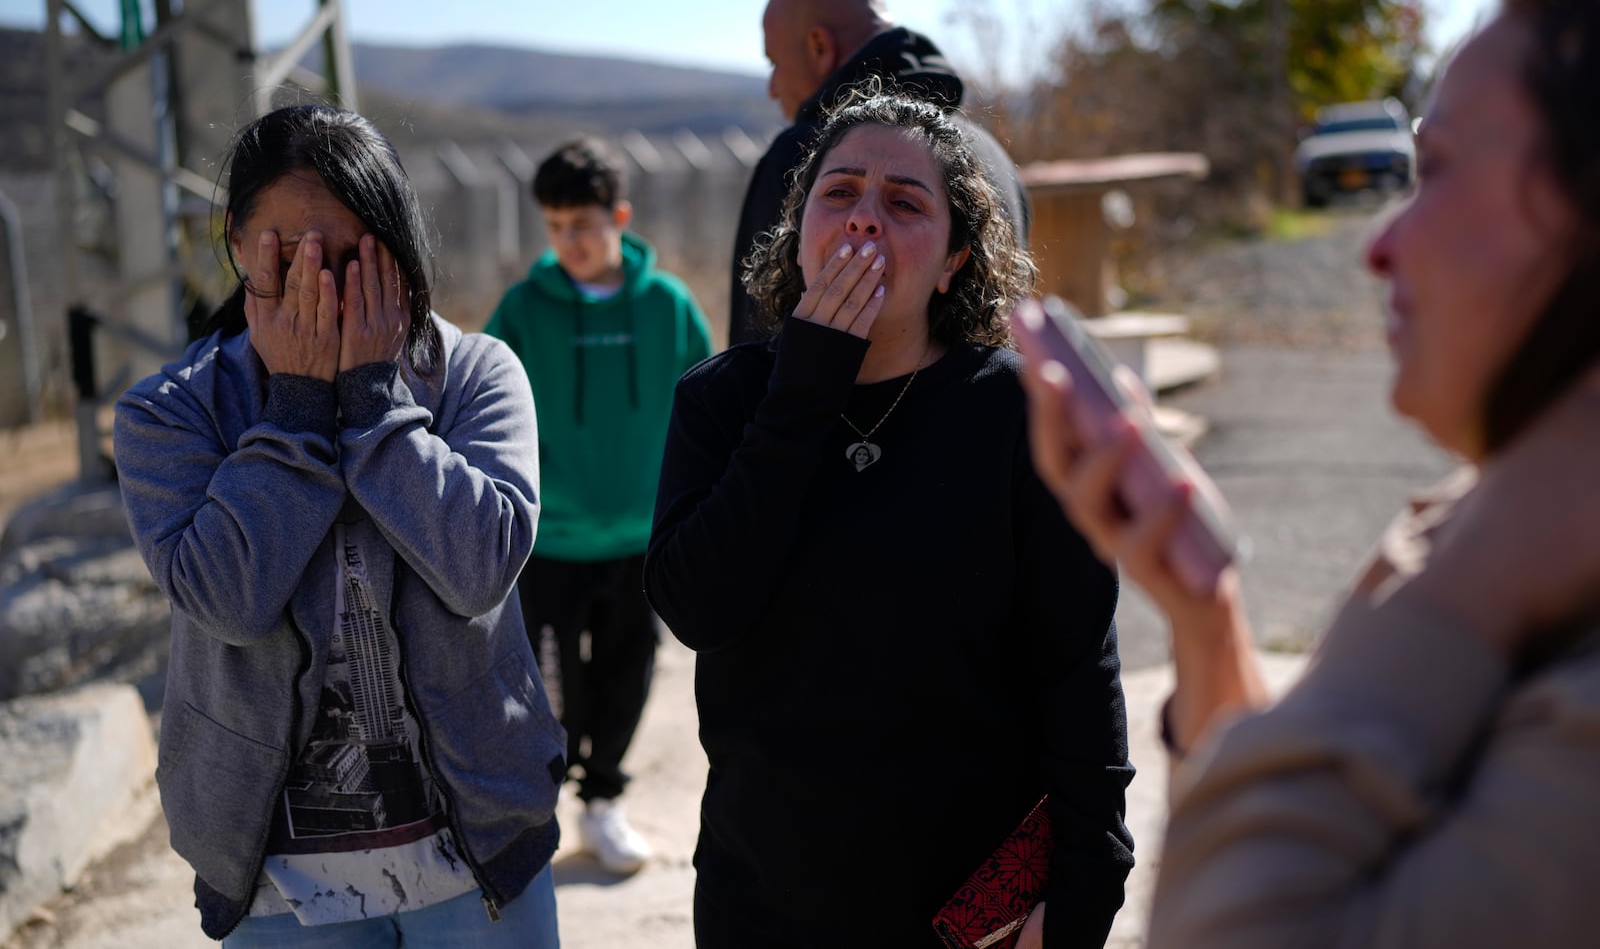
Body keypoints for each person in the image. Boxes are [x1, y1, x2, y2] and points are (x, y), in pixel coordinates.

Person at [1020, 0, 1600, 948]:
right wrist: (1208, 627)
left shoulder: (1502, 566)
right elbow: (1324, 849)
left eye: (1441, 168)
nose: (1379, 243)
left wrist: (1480, 576)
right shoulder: (1466, 526)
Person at [646, 87, 1134, 949]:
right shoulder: (722, 401)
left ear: (954, 259)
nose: (864, 220)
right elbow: (699, 606)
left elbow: (1079, 671)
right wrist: (807, 382)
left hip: (970, 915)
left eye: (905, 202)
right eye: (839, 193)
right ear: (799, 232)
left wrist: (1087, 887)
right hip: (762, 902)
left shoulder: (1019, 411)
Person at [113, 103, 565, 947]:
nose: (317, 282)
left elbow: (480, 567)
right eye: (286, 257)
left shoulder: (473, 376)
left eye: (350, 256)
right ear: (237, 246)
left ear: (398, 251)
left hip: (476, 857)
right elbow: (226, 600)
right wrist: (291, 415)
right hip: (275, 880)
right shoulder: (170, 414)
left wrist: (371, 402)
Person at [484, 136, 712, 875]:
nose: (568, 242)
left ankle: (603, 802)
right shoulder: (522, 309)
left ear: (619, 215)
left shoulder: (669, 306)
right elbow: (484, 407)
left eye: (581, 223)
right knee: (551, 684)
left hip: (645, 538)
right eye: (553, 226)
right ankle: (545, 800)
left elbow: (709, 406)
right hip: (549, 540)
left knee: (628, 674)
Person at [727, 0, 1032, 345]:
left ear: (820, 46)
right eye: (841, 194)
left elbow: (755, 349)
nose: (771, 87)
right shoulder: (993, 154)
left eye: (774, 63)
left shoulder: (804, 154)